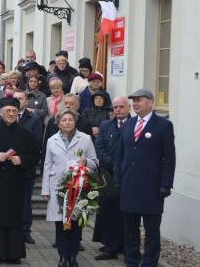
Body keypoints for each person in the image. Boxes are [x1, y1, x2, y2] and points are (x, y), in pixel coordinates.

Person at [0, 96, 40, 264]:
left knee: (13, 218)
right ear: (1, 113)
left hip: (15, 183)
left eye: (14, 111)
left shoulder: (26, 134)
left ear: (18, 113)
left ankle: (13, 253)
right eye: (8, 111)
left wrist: (22, 160)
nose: (11, 114)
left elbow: (35, 154)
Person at [115, 89, 176, 267]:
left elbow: (169, 158)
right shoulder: (129, 123)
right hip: (129, 186)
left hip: (152, 187)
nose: (135, 104)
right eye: (133, 101)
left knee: (151, 232)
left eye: (139, 100)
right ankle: (132, 262)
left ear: (150, 102)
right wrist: (118, 179)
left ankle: (150, 263)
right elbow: (121, 154)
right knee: (130, 230)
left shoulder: (163, 125)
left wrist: (166, 184)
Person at [42, 109, 98, 267]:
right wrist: (45, 190)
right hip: (58, 187)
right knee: (61, 224)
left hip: (78, 187)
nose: (67, 122)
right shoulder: (52, 140)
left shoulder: (85, 139)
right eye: (63, 120)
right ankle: (62, 256)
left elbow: (95, 162)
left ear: (75, 122)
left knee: (76, 223)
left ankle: (73, 256)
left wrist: (85, 162)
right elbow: (47, 165)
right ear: (58, 123)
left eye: (70, 119)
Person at [92, 96, 130, 261]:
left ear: (129, 107)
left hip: (129, 176)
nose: (118, 110)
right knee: (108, 213)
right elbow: (99, 148)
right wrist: (113, 164)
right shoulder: (106, 126)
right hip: (108, 175)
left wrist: (123, 166)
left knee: (127, 214)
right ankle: (110, 247)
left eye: (121, 106)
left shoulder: (135, 125)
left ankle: (127, 247)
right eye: (115, 107)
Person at [13, 91, 44, 245]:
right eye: (16, 99)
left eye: (21, 98)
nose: (18, 101)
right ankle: (10, 230)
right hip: (8, 167)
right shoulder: (6, 116)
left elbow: (37, 142)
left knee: (25, 202)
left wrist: (21, 156)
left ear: (26, 101)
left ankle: (25, 232)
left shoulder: (34, 120)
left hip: (26, 167)